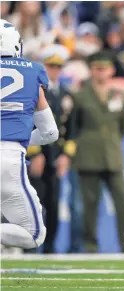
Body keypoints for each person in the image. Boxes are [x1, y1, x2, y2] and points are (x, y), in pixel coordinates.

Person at [0, 19, 59, 249]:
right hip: (10, 159)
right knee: (34, 234)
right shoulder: (33, 71)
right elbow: (51, 132)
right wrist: (22, 140)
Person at [73, 51, 124, 253]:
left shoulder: (118, 96)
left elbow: (123, 128)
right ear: (91, 70)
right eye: (97, 68)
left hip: (113, 156)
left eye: (104, 68)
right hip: (89, 155)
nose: (101, 72)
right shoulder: (79, 95)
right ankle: (91, 246)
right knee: (90, 205)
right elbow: (74, 126)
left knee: (122, 202)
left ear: (112, 70)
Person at [26, 44, 76, 253]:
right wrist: (34, 153)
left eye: (57, 66)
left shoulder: (66, 94)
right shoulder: (32, 90)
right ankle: (27, 247)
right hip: (39, 153)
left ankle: (50, 247)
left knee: (54, 203)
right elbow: (27, 122)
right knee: (32, 203)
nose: (53, 70)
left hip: (56, 155)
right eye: (49, 66)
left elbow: (72, 129)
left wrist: (67, 155)